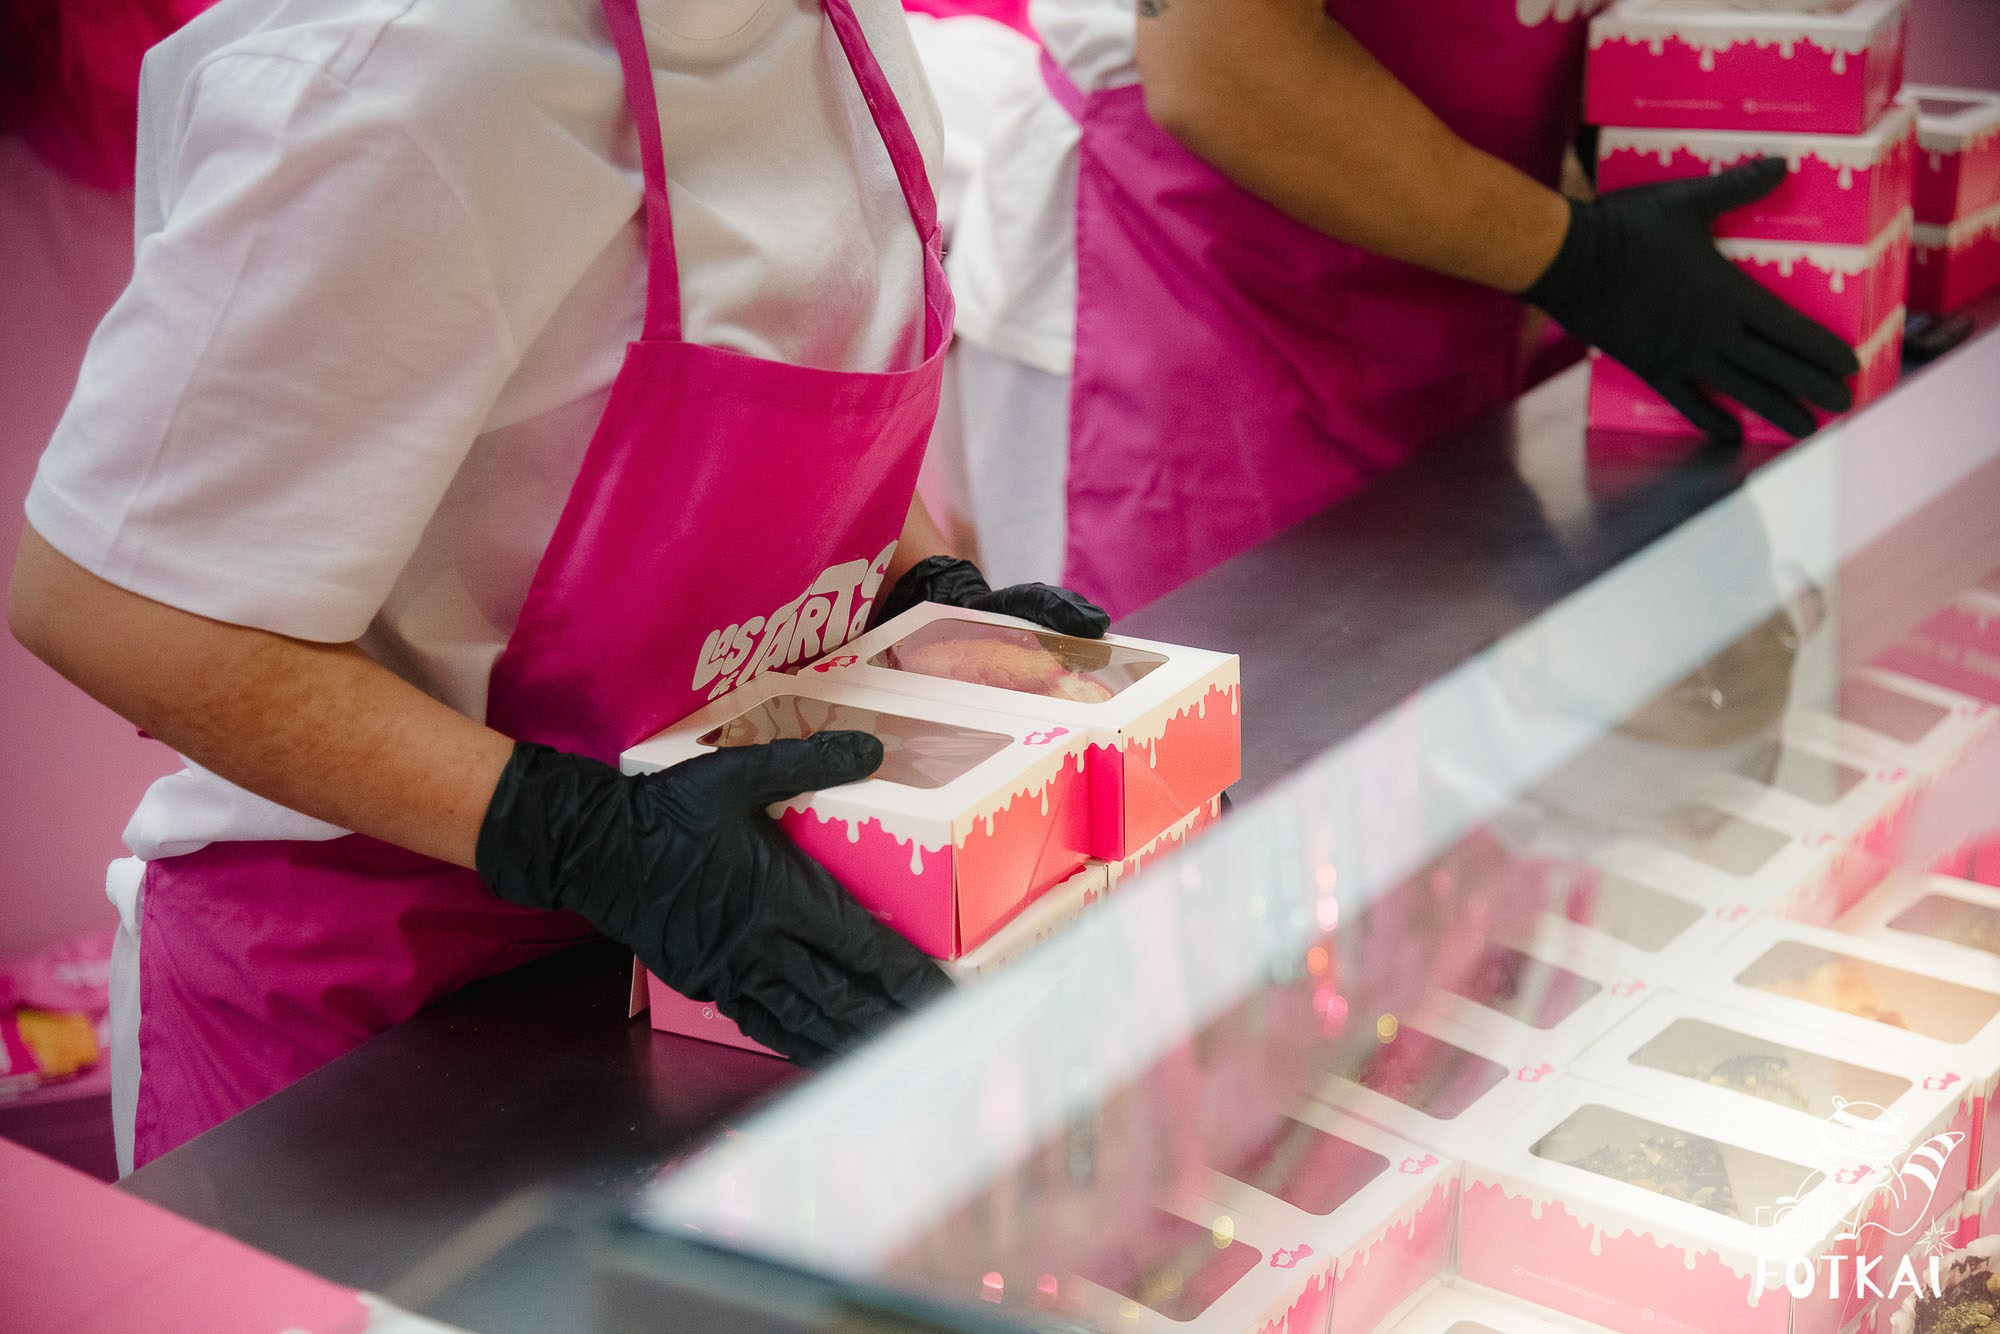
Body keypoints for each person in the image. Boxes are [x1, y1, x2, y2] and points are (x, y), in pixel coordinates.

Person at [7, 0, 1106, 1174]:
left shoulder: (850, 38)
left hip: (668, 968)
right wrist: (583, 836)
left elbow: (804, 414)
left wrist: (918, 592)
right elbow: (105, 602)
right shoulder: (407, 84)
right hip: (356, 1022)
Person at [920, 0, 1860, 616]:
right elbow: (1218, 65)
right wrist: (1581, 259)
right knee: (1193, 806)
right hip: (1194, 286)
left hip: (1458, 271)